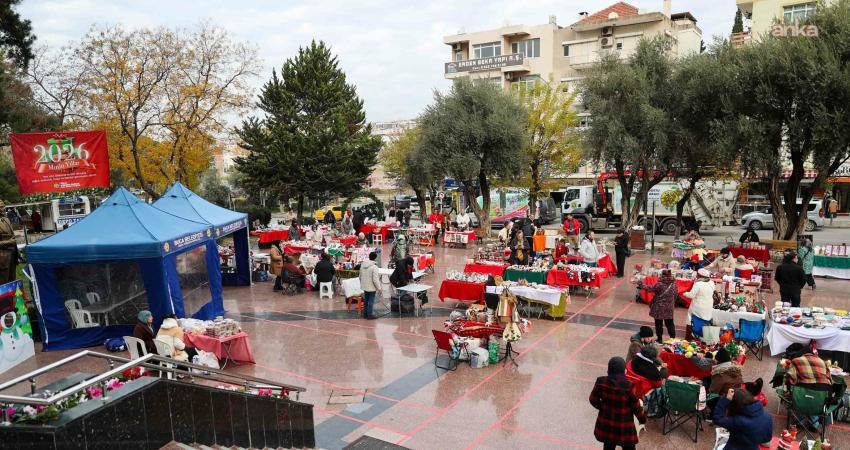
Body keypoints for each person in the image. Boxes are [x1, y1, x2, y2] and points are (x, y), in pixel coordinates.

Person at [589, 357, 646, 450]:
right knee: (629, 447)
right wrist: (642, 419)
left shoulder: (601, 382)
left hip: (607, 424)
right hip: (624, 426)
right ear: (623, 370)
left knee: (608, 446)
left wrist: (603, 408)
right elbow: (636, 407)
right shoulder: (628, 386)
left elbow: (592, 399)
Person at [638, 269, 676, 343]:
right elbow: (675, 295)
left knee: (658, 324)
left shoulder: (660, 284)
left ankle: (659, 339)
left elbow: (650, 289)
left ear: (662, 275)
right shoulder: (674, 284)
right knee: (670, 324)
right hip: (669, 307)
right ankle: (673, 339)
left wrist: (641, 284)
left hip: (659, 307)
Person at [0, 200, 19, 285]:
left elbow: (12, 236)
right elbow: (11, 240)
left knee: (12, 282)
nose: (3, 209)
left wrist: (18, 252)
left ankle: (11, 298)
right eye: (1, 207)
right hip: (2, 257)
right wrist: (9, 242)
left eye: (3, 206)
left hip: (12, 255)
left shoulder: (6, 219)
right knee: (4, 283)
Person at [359, 252, 381, 319]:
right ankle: (370, 315)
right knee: (371, 301)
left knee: (366, 300)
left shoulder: (363, 265)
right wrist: (379, 288)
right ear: (375, 258)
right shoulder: (374, 267)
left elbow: (360, 276)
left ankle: (365, 314)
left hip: (365, 286)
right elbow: (375, 279)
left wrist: (362, 283)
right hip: (371, 287)